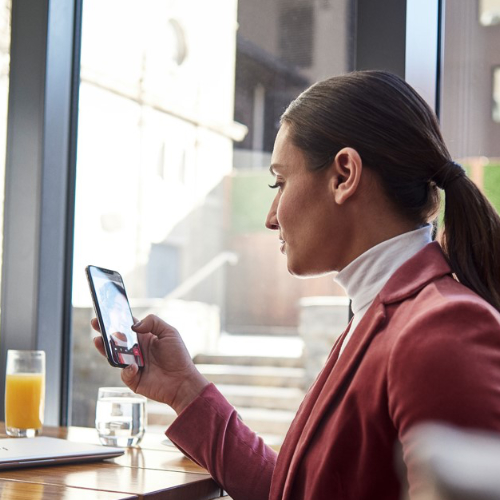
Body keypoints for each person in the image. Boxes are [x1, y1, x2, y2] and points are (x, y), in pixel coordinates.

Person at [92, 70, 500, 499]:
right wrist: (184, 389)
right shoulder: (380, 317)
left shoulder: (440, 329)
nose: (271, 216)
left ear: (344, 175)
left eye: (280, 182)